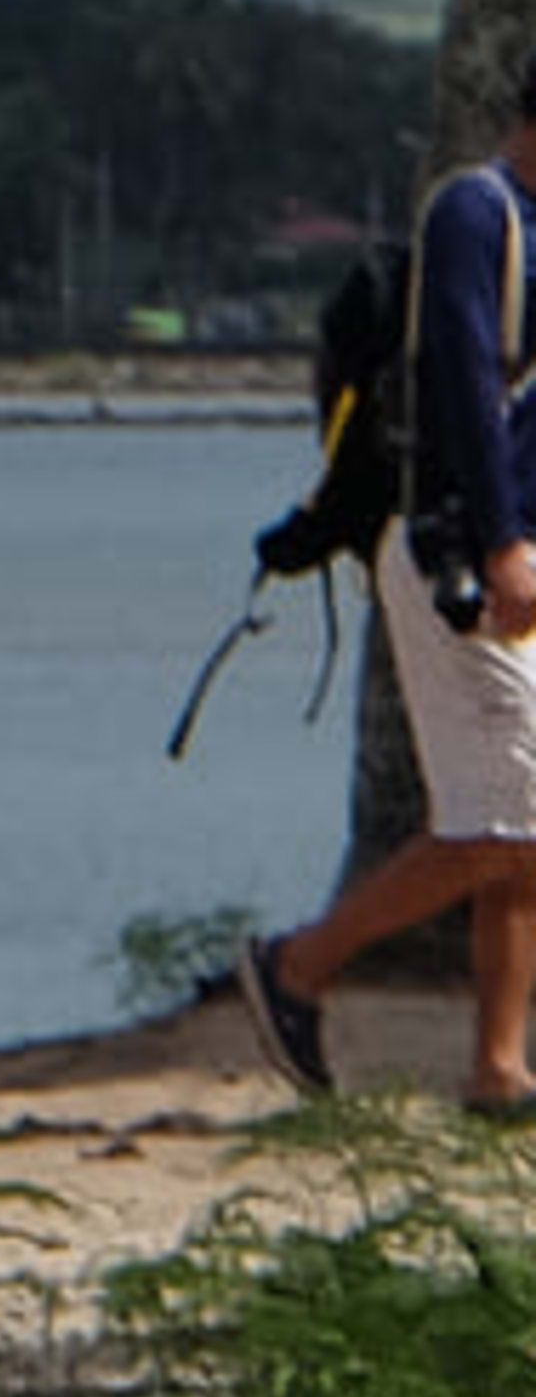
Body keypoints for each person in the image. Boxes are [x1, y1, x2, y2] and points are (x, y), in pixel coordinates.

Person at [241, 58, 536, 1110]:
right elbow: (460, 376)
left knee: (516, 828)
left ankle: (499, 1068)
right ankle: (299, 965)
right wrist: (504, 542)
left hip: (519, 556)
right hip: (459, 552)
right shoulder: (477, 210)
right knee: (510, 820)